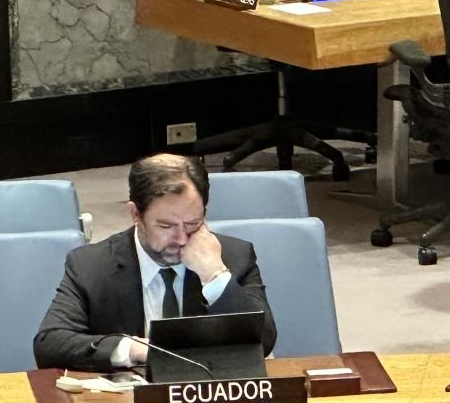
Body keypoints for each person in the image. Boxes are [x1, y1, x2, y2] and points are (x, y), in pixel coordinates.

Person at [33, 154, 278, 370]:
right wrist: (134, 349)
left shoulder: (235, 256)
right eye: (165, 226)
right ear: (135, 214)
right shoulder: (91, 265)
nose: (181, 238)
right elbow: (50, 344)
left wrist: (215, 276)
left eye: (193, 224)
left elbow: (264, 341)